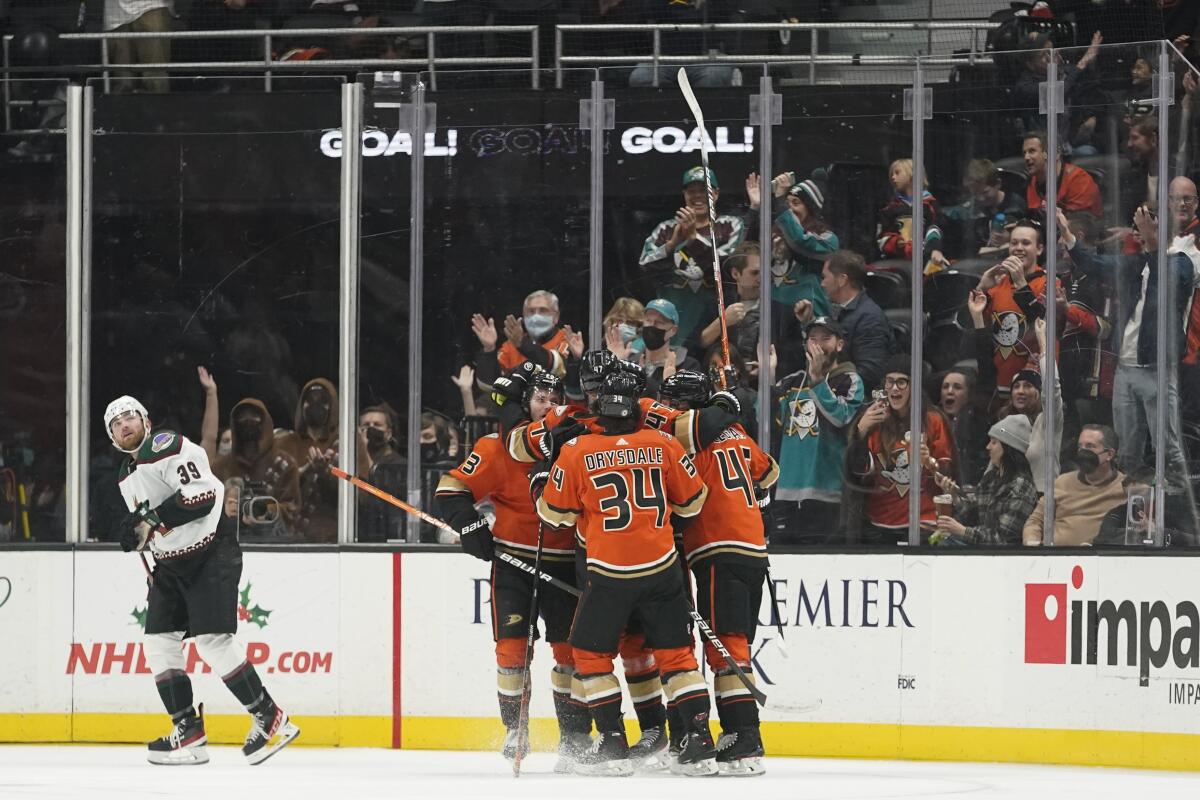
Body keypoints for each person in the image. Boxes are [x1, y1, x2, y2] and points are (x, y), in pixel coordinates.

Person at [534, 370, 718, 777]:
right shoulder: (664, 442)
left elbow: (554, 516)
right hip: (663, 568)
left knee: (590, 654)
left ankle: (613, 743)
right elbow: (692, 503)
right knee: (676, 654)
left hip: (609, 572)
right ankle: (700, 741)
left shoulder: (577, 450)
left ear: (598, 409)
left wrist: (542, 482)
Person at [104, 395, 298, 766]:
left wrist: (151, 522)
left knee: (213, 640)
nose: (123, 425)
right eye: (115, 424)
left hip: (210, 554)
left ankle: (271, 718)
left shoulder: (169, 446)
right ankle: (188, 732)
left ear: (145, 420)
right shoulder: (125, 475)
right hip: (171, 567)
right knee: (159, 643)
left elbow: (204, 496)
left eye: (129, 417)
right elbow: (151, 524)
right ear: (112, 437)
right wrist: (142, 537)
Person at [434, 371, 592, 771]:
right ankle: (515, 729)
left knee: (571, 653)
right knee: (512, 650)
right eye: (541, 398)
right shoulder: (497, 446)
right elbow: (451, 489)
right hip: (513, 564)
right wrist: (470, 526)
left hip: (567, 563)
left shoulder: (579, 443)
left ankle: (574, 736)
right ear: (525, 404)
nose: (550, 405)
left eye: (556, 397)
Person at [658, 370, 778, 776]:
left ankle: (743, 737)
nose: (667, 409)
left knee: (725, 646)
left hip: (715, 548)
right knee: (737, 639)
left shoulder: (683, 435)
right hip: (754, 551)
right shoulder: (738, 435)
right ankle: (742, 735)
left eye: (672, 402)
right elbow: (769, 474)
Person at [1063, 204, 1194, 489]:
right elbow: (1097, 266)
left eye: (1147, 225)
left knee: (1167, 445)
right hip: (1126, 366)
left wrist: (1154, 241)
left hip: (1156, 368)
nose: (1139, 231)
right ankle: (1128, 507)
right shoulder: (1139, 262)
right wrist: (1068, 236)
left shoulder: (1183, 261)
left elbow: (1167, 288)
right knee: (1127, 447)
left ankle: (1179, 505)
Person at [844, 355, 956, 543]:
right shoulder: (874, 419)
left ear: (914, 386)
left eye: (902, 382)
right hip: (879, 524)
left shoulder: (933, 420)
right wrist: (860, 432)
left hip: (924, 523)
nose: (894, 388)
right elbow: (858, 474)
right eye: (890, 382)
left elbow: (948, 477)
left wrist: (929, 462)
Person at [773, 317, 864, 543]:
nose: (818, 345)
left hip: (826, 494)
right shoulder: (791, 382)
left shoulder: (849, 380)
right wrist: (767, 376)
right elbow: (767, 423)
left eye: (826, 338)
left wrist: (816, 381)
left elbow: (841, 417)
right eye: (812, 339)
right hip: (785, 492)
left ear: (839, 345)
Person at [640, 167, 746, 350]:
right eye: (692, 191)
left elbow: (727, 268)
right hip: (672, 324)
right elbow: (644, 266)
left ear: (716, 193)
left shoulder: (730, 225)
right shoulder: (666, 229)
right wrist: (672, 244)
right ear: (684, 194)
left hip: (714, 322)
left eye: (704, 190)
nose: (698, 196)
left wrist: (693, 239)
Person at [973, 220, 1062, 399]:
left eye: (1026, 243)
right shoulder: (997, 283)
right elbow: (973, 327)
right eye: (1014, 243)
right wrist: (981, 288)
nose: (1018, 248)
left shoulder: (1050, 283)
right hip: (998, 387)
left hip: (1033, 390)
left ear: (1039, 249)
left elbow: (1042, 324)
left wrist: (1021, 284)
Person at [276, 378, 366, 543]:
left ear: (333, 407)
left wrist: (328, 474)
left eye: (323, 401)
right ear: (301, 406)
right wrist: (303, 473)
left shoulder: (348, 443)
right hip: (289, 539)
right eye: (309, 400)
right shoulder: (284, 443)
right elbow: (274, 493)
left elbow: (362, 495)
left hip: (334, 539)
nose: (315, 405)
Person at [795, 250, 894, 392]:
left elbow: (870, 374)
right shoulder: (837, 310)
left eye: (824, 277)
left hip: (851, 400)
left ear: (842, 280)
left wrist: (827, 389)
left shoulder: (870, 319)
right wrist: (807, 323)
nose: (822, 284)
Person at [931, 414, 1039, 546]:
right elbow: (972, 512)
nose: (988, 447)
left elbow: (1003, 539)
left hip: (1006, 559)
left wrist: (963, 531)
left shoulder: (1021, 486)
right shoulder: (991, 478)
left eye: (994, 442)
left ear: (1009, 448)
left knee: (946, 544)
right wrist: (954, 495)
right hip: (983, 551)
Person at [211, 398, 301, 540]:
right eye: (242, 417)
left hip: (275, 546)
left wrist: (265, 509)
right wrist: (226, 510)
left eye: (255, 416)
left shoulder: (285, 465)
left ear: (266, 422)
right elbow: (206, 510)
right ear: (234, 424)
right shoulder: (219, 467)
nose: (248, 421)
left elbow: (292, 510)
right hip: (229, 543)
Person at [1023, 425, 1126, 546]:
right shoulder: (1061, 482)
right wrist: (1033, 545)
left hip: (1100, 560)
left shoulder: (1127, 487)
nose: (1083, 452)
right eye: (1080, 446)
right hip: (1054, 559)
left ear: (1109, 454)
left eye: (1090, 446)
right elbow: (1035, 521)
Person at [471, 290, 577, 392]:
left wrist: (523, 344)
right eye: (531, 311)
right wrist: (489, 349)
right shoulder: (511, 345)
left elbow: (559, 368)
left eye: (543, 311)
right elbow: (489, 386)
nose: (536, 316)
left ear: (556, 317)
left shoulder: (567, 338)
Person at [938, 159, 1027, 259]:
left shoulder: (1016, 205)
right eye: (976, 194)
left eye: (985, 192)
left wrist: (1012, 237)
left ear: (998, 184)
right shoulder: (968, 211)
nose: (981, 198)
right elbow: (940, 222)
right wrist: (936, 249)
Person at [699, 242, 762, 364]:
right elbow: (697, 344)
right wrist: (723, 321)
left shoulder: (780, 311)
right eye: (755, 273)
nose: (761, 278)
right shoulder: (717, 304)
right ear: (735, 273)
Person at [877, 158, 944, 268]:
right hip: (897, 262)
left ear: (912, 174)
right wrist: (896, 243)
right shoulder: (890, 207)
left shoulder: (930, 204)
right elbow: (882, 236)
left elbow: (935, 228)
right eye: (891, 175)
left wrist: (934, 249)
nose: (893, 178)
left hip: (926, 259)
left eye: (897, 173)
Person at [1022, 132, 1103, 219]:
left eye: (1032, 151)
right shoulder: (1032, 182)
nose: (1026, 157)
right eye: (1024, 153)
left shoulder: (1079, 180)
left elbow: (1079, 226)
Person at [631, 298, 701, 399]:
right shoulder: (631, 362)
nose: (652, 326)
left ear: (673, 330)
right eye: (648, 320)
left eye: (659, 322)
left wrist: (669, 386)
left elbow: (686, 408)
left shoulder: (688, 367)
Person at [356, 404, 406, 543]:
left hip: (388, 535)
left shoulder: (400, 464)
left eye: (377, 425)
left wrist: (364, 451)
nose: (371, 429)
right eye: (366, 425)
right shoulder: (351, 462)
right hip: (360, 535)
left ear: (389, 433)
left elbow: (382, 496)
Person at [104, 0, 171, 94]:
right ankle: (123, 107)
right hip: (114, 14)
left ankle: (158, 106)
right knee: (123, 81)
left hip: (151, 7)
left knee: (155, 76)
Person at [938, 368, 988, 487]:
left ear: (968, 395)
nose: (950, 391)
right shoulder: (932, 421)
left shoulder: (979, 427)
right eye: (945, 387)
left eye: (957, 387)